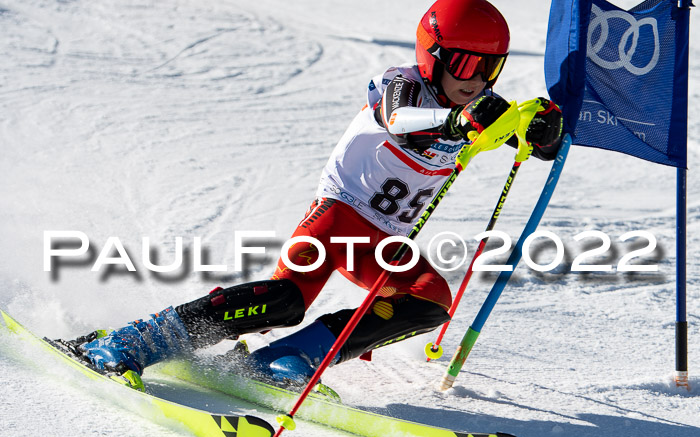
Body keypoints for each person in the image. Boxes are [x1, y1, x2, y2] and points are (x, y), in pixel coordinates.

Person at [60, 0, 563, 389]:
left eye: (488, 68)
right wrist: (455, 120)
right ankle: (131, 341)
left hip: (383, 244)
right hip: (339, 217)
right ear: (432, 55)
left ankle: (290, 358)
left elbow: (527, 139)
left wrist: (541, 129)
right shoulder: (400, 85)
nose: (474, 80)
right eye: (464, 63)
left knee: (429, 300)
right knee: (284, 299)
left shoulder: (480, 107)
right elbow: (402, 124)